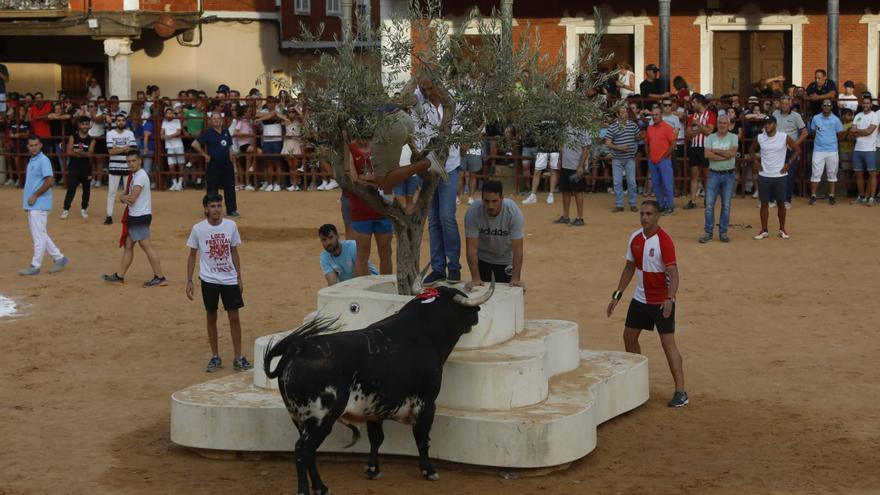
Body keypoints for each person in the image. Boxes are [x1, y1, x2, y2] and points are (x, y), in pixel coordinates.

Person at [606, 200, 685, 407]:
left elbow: (674, 274)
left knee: (668, 344)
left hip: (661, 301)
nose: (644, 217)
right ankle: (637, 381)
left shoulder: (664, 241)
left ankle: (680, 391)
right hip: (640, 299)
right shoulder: (635, 238)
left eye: (649, 214)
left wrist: (670, 298)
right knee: (629, 336)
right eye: (642, 213)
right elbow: (629, 268)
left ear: (657, 216)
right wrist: (617, 296)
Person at [185, 193, 252, 373]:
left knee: (234, 317)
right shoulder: (198, 229)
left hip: (229, 278)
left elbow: (234, 252)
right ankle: (215, 356)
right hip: (209, 279)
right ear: (206, 209)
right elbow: (192, 256)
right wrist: (189, 280)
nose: (217, 209)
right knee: (211, 316)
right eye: (213, 206)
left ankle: (238, 357)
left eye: (219, 206)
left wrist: (239, 277)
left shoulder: (231, 226)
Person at [100, 152, 167, 287]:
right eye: (129, 161)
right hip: (136, 216)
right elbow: (127, 196)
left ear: (140, 161)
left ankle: (160, 277)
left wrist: (122, 198)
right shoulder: (136, 175)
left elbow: (130, 198)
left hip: (139, 217)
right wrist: (123, 197)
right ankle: (120, 276)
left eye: (133, 161)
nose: (131, 163)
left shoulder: (140, 177)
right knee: (128, 246)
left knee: (147, 246)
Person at [19, 136, 69, 276]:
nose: (33, 147)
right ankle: (59, 258)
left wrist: (34, 196)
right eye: (31, 145)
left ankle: (35, 265)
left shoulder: (43, 160)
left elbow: (50, 181)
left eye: (36, 145)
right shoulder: (34, 160)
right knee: (40, 234)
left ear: (40, 145)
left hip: (39, 204)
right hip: (34, 204)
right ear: (28, 146)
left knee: (39, 236)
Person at [463, 180, 525, 290]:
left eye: (495, 201)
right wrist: (475, 277)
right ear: (481, 198)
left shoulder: (513, 212)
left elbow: (518, 249)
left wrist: (515, 278)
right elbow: (471, 248)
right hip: (483, 259)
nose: (490, 205)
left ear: (502, 198)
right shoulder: (473, 212)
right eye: (486, 201)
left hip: (505, 260)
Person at [345, 136, 393, 276]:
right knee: (363, 254)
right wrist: (374, 180)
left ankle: (383, 286)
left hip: (380, 209)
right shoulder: (350, 148)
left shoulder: (380, 146)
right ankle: (364, 289)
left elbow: (386, 175)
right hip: (364, 209)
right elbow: (353, 179)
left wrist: (364, 178)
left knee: (383, 252)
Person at [749, 116, 801, 239]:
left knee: (781, 203)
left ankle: (782, 228)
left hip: (780, 175)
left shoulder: (783, 137)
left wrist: (788, 163)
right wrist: (756, 163)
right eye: (765, 123)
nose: (767, 126)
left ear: (775, 125)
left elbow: (797, 150)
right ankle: (764, 230)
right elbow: (751, 150)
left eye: (770, 123)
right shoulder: (760, 137)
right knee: (764, 204)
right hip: (764, 175)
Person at [192, 113, 240, 217]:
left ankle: (231, 210)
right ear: (211, 121)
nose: (217, 120)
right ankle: (210, 210)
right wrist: (205, 155)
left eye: (218, 118)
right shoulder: (208, 133)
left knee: (230, 187)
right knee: (212, 188)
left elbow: (230, 148)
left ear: (221, 120)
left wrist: (232, 162)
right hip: (214, 164)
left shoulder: (226, 131)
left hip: (227, 164)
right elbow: (195, 144)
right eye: (214, 118)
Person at [701, 114, 739, 243]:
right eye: (720, 123)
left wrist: (716, 151)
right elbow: (707, 154)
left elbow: (732, 153)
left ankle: (723, 232)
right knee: (709, 205)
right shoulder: (711, 137)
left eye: (724, 123)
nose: (722, 125)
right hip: (714, 174)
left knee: (726, 205)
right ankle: (708, 232)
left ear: (728, 125)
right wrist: (725, 156)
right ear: (717, 124)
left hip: (728, 175)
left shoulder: (734, 137)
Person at [772, 96, 808, 209]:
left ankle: (787, 200)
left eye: (787, 104)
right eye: (782, 104)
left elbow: (805, 132)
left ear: (790, 104)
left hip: (790, 149)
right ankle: (773, 199)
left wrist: (795, 144)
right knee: (774, 174)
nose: (784, 106)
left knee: (789, 175)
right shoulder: (775, 114)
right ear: (780, 104)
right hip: (776, 149)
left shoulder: (796, 116)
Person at [808, 99, 844, 205]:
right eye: (824, 105)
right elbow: (813, 132)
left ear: (832, 107)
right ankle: (813, 195)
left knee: (832, 173)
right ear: (821, 106)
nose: (826, 107)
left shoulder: (836, 120)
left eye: (829, 105)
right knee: (815, 173)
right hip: (818, 150)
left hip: (832, 150)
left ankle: (832, 195)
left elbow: (840, 134)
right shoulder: (815, 118)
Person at [605, 106, 641, 212]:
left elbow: (637, 137)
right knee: (617, 182)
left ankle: (632, 203)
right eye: (623, 112)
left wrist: (640, 136)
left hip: (629, 157)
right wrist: (618, 147)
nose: (625, 114)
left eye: (626, 112)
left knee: (631, 182)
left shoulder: (633, 125)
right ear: (617, 115)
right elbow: (607, 142)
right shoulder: (612, 127)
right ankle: (620, 204)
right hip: (617, 158)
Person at [684, 93, 716, 210]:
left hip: (705, 147)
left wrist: (698, 126)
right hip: (695, 147)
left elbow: (709, 131)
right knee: (694, 174)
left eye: (693, 102)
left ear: (699, 103)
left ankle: (708, 199)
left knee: (706, 175)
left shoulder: (711, 115)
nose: (692, 105)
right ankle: (692, 200)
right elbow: (688, 133)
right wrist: (701, 129)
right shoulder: (692, 116)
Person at [104, 114, 137, 225]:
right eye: (119, 120)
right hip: (115, 166)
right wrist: (124, 148)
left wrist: (117, 149)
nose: (121, 122)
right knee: (112, 192)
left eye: (123, 120)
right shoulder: (110, 134)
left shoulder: (130, 133)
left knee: (128, 192)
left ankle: (127, 216)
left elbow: (132, 150)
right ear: (115, 122)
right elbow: (110, 152)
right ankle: (109, 216)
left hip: (127, 166)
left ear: (125, 122)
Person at [644, 105, 677, 215]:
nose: (655, 117)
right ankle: (662, 206)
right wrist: (649, 156)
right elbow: (646, 143)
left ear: (661, 115)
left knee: (667, 185)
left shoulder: (667, 128)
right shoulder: (650, 128)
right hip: (653, 161)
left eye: (657, 115)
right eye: (653, 115)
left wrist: (665, 156)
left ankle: (670, 207)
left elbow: (673, 144)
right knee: (656, 185)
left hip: (664, 161)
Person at [848, 95, 880, 206]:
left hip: (870, 149)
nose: (866, 105)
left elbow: (869, 132)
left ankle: (871, 198)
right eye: (864, 103)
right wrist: (858, 131)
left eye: (868, 103)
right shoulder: (858, 115)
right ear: (862, 104)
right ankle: (861, 196)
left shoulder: (874, 116)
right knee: (859, 174)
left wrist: (857, 131)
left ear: (871, 104)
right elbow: (852, 131)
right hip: (858, 149)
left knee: (872, 174)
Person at [62, 116, 94, 220]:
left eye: (87, 124)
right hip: (74, 167)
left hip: (86, 168)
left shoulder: (92, 139)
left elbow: (90, 154)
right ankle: (66, 209)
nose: (85, 126)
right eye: (83, 124)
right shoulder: (73, 137)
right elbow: (69, 152)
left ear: (89, 126)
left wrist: (77, 151)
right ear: (79, 125)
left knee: (86, 190)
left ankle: (84, 209)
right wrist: (82, 153)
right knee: (71, 189)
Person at [556, 127, 589, 226]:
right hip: (565, 165)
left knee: (578, 191)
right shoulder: (565, 128)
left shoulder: (583, 129)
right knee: (565, 191)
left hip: (575, 166)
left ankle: (580, 217)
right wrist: (560, 159)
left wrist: (580, 166)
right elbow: (562, 146)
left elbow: (586, 149)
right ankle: (565, 216)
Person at [161, 107, 185, 191]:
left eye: (170, 113)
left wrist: (168, 136)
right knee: (171, 166)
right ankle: (174, 183)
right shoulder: (164, 122)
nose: (169, 114)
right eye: (167, 113)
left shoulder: (177, 121)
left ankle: (180, 183)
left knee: (180, 164)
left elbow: (179, 132)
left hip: (178, 145)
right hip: (169, 146)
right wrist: (165, 136)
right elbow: (161, 134)